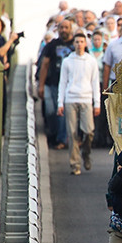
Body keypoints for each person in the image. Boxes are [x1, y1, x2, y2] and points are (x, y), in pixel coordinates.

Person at [56, 33, 101, 175]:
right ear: (73, 44)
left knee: (89, 131)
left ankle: (86, 153)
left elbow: (95, 83)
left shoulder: (91, 61)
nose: (79, 44)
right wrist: (60, 102)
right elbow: (62, 82)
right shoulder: (67, 61)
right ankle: (75, 164)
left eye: (82, 41)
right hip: (70, 98)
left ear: (86, 44)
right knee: (72, 132)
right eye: (77, 42)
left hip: (86, 98)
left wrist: (97, 103)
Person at [39, 19, 75, 149]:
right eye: (61, 28)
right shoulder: (52, 45)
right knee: (50, 110)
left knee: (62, 113)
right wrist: (41, 85)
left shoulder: (76, 44)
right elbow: (45, 64)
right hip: (52, 83)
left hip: (69, 85)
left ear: (71, 29)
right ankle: (53, 133)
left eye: (66, 27)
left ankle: (61, 139)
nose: (64, 30)